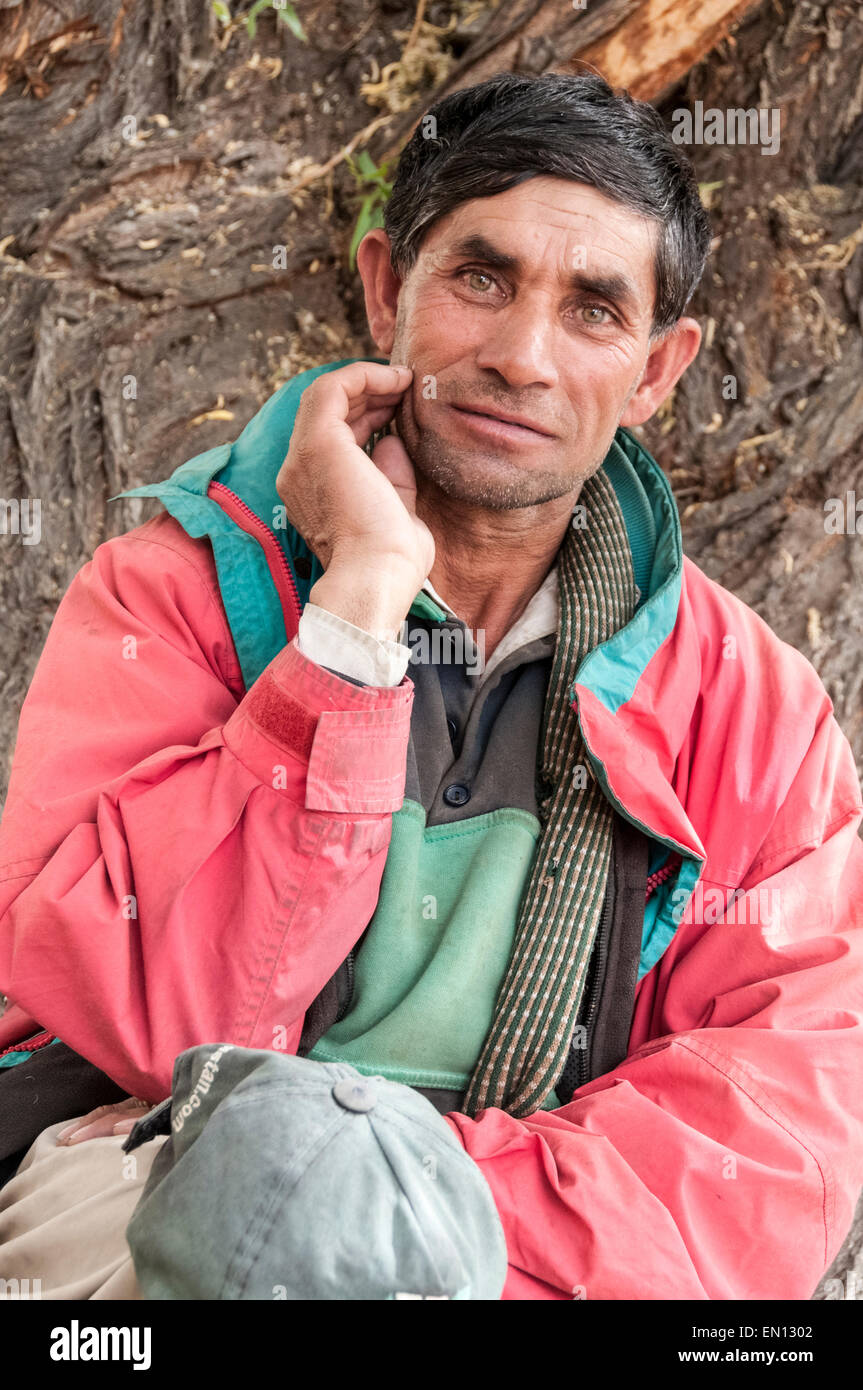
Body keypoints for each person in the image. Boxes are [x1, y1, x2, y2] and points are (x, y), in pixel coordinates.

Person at [1, 71, 862, 1301]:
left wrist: (411, 1207)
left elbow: (764, 1152)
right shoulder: (171, 600)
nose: (520, 356)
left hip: (515, 1254)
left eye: (592, 311)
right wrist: (350, 622)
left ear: (659, 371)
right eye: (480, 277)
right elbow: (148, 1017)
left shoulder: (750, 712)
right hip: (156, 1188)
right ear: (382, 288)